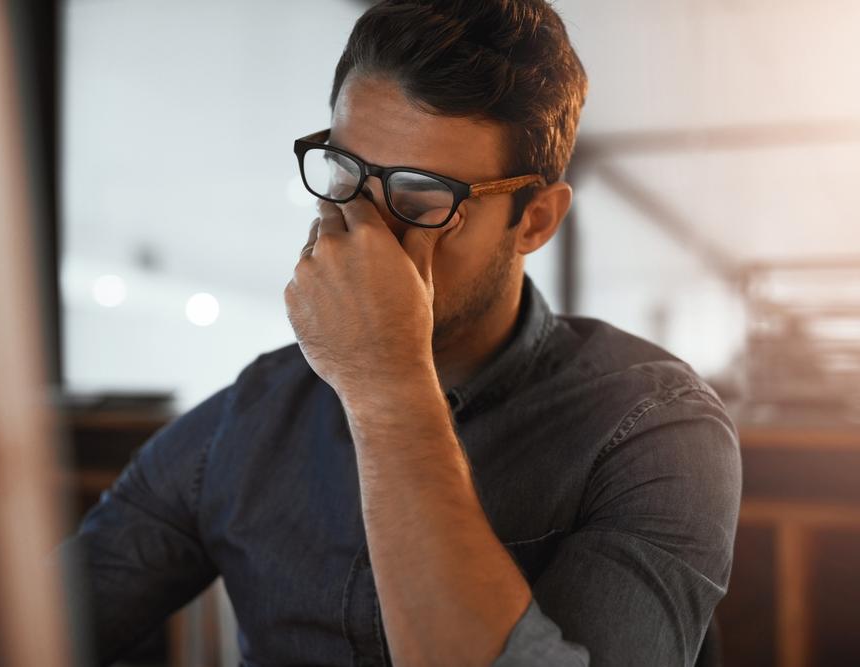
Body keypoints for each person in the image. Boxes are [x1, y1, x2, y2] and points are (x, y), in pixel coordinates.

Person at [56, 1, 742, 665]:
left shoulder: (654, 426)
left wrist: (387, 386)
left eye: (422, 199)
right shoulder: (252, 414)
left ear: (535, 221)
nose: (368, 232)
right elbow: (32, 626)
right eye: (345, 174)